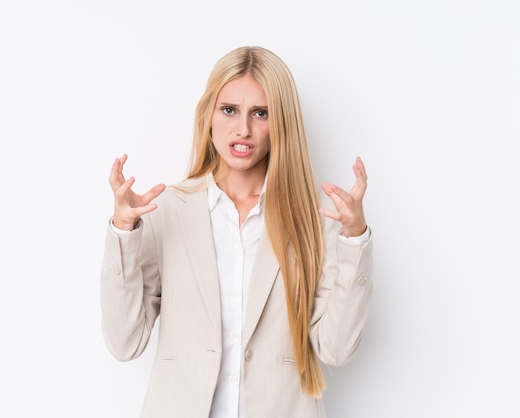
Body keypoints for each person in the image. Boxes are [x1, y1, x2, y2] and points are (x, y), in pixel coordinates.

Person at [100, 45, 373, 418]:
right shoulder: (166, 212)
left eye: (261, 113)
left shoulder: (316, 220)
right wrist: (123, 231)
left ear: (281, 123)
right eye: (229, 110)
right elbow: (124, 343)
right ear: (209, 116)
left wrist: (354, 239)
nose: (242, 129)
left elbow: (337, 350)